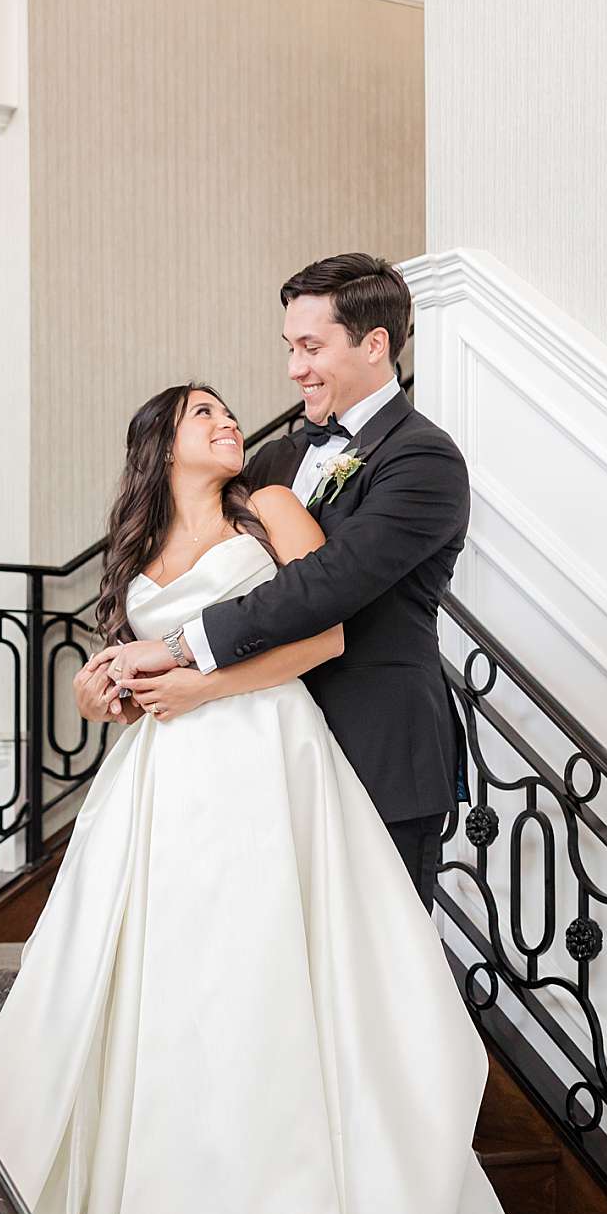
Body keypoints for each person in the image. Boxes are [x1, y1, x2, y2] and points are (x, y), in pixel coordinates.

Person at [0, 374, 508, 1214]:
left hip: (267, 748)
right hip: (163, 779)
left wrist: (207, 686)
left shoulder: (274, 507)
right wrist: (102, 690)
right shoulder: (136, 554)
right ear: (165, 446)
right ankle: (142, 1205)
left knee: (264, 963)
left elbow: (324, 636)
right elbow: (119, 680)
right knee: (160, 974)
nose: (230, 421)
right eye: (206, 414)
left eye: (228, 411)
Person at [85, 251, 471, 911]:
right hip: (262, 756)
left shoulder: (424, 460)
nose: (295, 368)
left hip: (374, 746)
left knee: (376, 973)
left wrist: (178, 648)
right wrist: (119, 680)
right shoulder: (276, 458)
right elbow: (204, 563)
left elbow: (326, 585)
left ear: (374, 344)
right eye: (291, 347)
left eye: (312, 347)